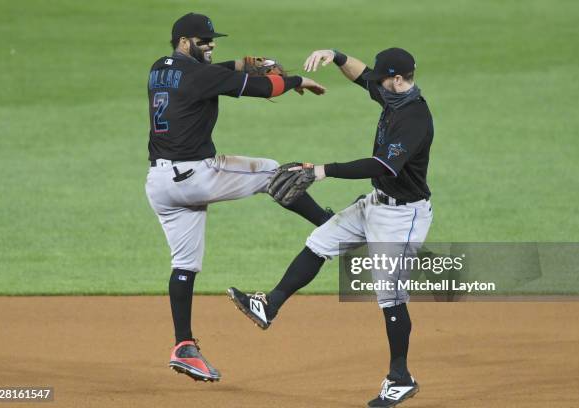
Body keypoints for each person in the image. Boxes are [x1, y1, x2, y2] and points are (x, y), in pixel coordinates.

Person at [227, 47, 434, 407]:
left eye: (383, 80)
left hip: (403, 217)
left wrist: (323, 170)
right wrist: (336, 56)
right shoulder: (395, 94)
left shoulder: (415, 119)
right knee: (320, 241)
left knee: (391, 298)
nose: (377, 84)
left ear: (398, 80)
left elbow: (382, 166)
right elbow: (363, 75)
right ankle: (269, 306)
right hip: (374, 203)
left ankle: (400, 378)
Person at [145, 12, 332, 383]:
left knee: (185, 265)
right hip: (194, 175)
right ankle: (332, 224)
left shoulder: (159, 68)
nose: (211, 45)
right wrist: (294, 80)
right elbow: (263, 89)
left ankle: (184, 346)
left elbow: (218, 72)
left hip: (159, 183)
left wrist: (250, 63)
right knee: (274, 172)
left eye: (213, 40)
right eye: (204, 41)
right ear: (184, 42)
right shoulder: (201, 75)